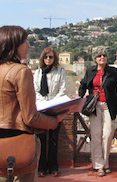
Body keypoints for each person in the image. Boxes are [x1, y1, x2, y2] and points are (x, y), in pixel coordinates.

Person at [0, 25, 63, 182]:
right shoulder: (21, 71)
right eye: (25, 41)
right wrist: (55, 121)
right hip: (21, 143)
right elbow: (30, 117)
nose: (28, 45)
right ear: (13, 45)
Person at [78, 46, 117, 177]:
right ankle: (99, 165)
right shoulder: (90, 71)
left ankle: (106, 162)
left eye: (104, 55)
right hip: (94, 106)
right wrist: (79, 97)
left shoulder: (112, 72)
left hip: (109, 106)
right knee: (95, 135)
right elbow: (83, 84)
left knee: (107, 135)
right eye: (99, 56)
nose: (102, 58)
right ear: (95, 58)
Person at [33, 47, 66, 177]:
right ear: (42, 58)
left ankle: (53, 166)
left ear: (54, 58)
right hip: (41, 108)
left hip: (55, 108)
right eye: (46, 57)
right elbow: (35, 90)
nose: (48, 59)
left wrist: (52, 103)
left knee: (53, 139)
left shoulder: (60, 72)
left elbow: (62, 90)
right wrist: (44, 103)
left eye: (50, 57)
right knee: (41, 139)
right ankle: (41, 167)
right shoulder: (38, 73)